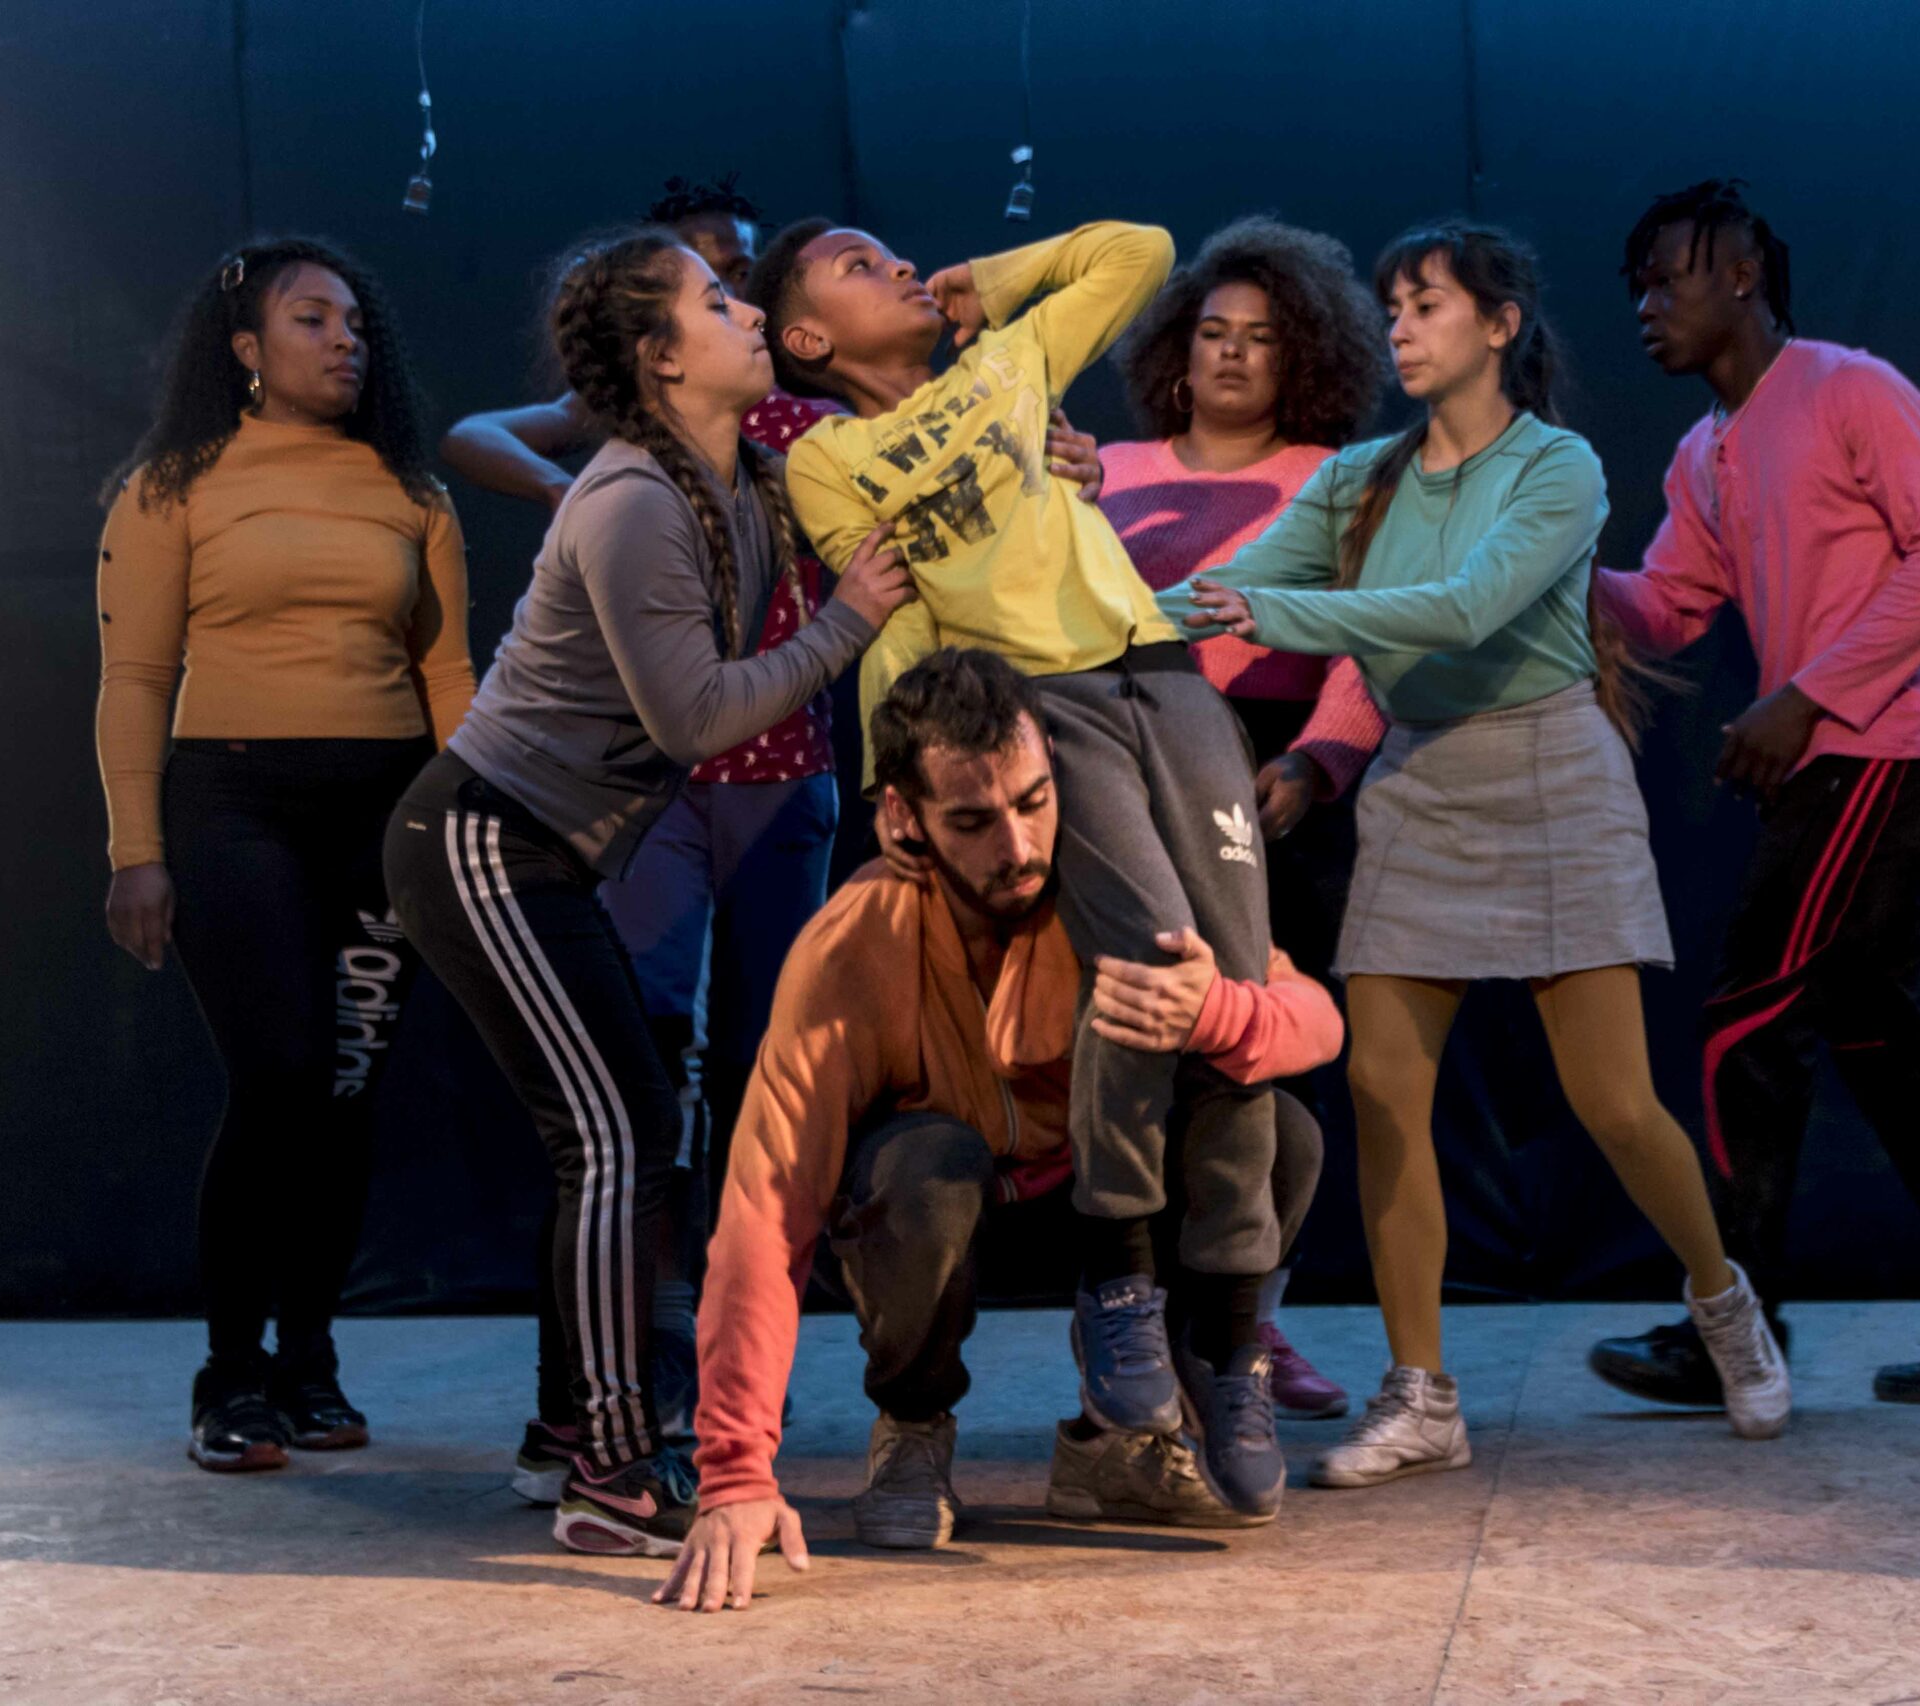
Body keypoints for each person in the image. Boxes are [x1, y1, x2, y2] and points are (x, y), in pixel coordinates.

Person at [441, 183, 1108, 1482]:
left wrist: (1060, 462)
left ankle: (737, 1359)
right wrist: (573, 486)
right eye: (712, 282)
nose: (735, 296)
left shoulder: (826, 433)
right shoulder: (696, 437)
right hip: (667, 784)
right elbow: (478, 434)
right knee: (644, 1077)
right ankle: (617, 1372)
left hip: (784, 769)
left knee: (778, 1070)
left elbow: (984, 498)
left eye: (742, 275)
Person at [1163, 222, 1792, 1488]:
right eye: (1392, 306)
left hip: (1551, 772)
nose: (1399, 326)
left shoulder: (1556, 466)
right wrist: (1063, 610)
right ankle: (1421, 1394)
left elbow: (1463, 607)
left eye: (1427, 304)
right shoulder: (1360, 478)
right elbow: (1217, 588)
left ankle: (1723, 1300)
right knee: (1384, 1089)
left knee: (1615, 1102)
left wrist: (1275, 611)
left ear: (1499, 325)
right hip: (1419, 781)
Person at [382, 225, 914, 1556]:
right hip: (482, 838)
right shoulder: (629, 497)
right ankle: (614, 1464)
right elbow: (694, 718)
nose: (749, 314)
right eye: (717, 301)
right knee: (619, 1131)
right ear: (659, 356)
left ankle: (575, 1433)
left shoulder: (743, 478)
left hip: (549, 854)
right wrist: (845, 624)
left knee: (625, 1128)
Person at [749, 216, 1291, 1515]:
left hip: (1160, 669)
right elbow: (899, 618)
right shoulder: (827, 457)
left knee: (1236, 991)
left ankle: (1229, 1348)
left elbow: (1140, 252)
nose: (895, 265)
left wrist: (988, 285)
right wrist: (901, 775)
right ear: (805, 336)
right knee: (1148, 964)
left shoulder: (1007, 362)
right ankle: (1120, 1284)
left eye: (895, 253)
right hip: (1046, 701)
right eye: (856, 265)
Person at [656, 648, 1344, 1611]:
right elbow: (764, 1215)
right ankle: (912, 1429)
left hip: (1107, 1226)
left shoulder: (1111, 889)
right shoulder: (856, 941)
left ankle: (1121, 1446)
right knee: (927, 1166)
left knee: (1283, 1135)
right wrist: (734, 1475)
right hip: (940, 1230)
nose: (1018, 847)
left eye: (1034, 803)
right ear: (905, 815)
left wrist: (1216, 1013)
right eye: (973, 822)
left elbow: (1315, 1018)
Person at [1587, 180, 1920, 1407]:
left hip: (1881, 757)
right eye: (1637, 288)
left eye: (1666, 279)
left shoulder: (1850, 387)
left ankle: (1732, 1327)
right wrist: (1551, 568)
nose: (1645, 306)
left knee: (1748, 1022)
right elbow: (1669, 603)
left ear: (1741, 275)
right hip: (1832, 762)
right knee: (1878, 1042)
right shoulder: (1703, 450)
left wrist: (1804, 696)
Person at [94, 238, 474, 1472]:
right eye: (312, 319)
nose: (345, 338)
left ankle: (309, 1360)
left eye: (355, 320)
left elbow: (446, 673)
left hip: (383, 811)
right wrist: (137, 850)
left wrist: (467, 823)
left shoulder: (411, 488)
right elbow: (135, 676)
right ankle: (230, 1369)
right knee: (281, 1078)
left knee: (347, 1093)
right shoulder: (172, 485)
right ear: (248, 349)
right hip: (233, 804)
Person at [1099, 215, 1395, 1419]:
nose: (1230, 352)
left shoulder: (1342, 477)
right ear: (1176, 345)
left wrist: (1321, 760)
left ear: (1302, 353)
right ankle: (1139, 1319)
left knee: (1273, 1045)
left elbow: (1369, 634)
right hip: (1128, 770)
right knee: (1143, 1048)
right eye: (1213, 330)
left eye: (1261, 337)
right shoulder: (1102, 471)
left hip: (1277, 777)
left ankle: (1250, 1316)